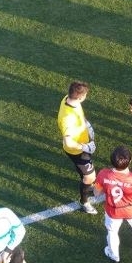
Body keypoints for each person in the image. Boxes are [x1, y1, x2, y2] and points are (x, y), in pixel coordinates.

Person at [93, 146, 132, 263]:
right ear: (130, 161)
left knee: (112, 232)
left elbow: (96, 193)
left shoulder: (103, 174)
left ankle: (114, 255)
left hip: (113, 211)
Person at [57, 81, 98, 214]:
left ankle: (88, 185)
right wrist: (86, 147)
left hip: (81, 145)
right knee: (90, 177)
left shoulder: (68, 99)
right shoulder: (68, 118)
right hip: (77, 151)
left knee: (87, 174)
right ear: (80, 97)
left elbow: (79, 112)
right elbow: (68, 142)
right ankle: (84, 202)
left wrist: (86, 123)